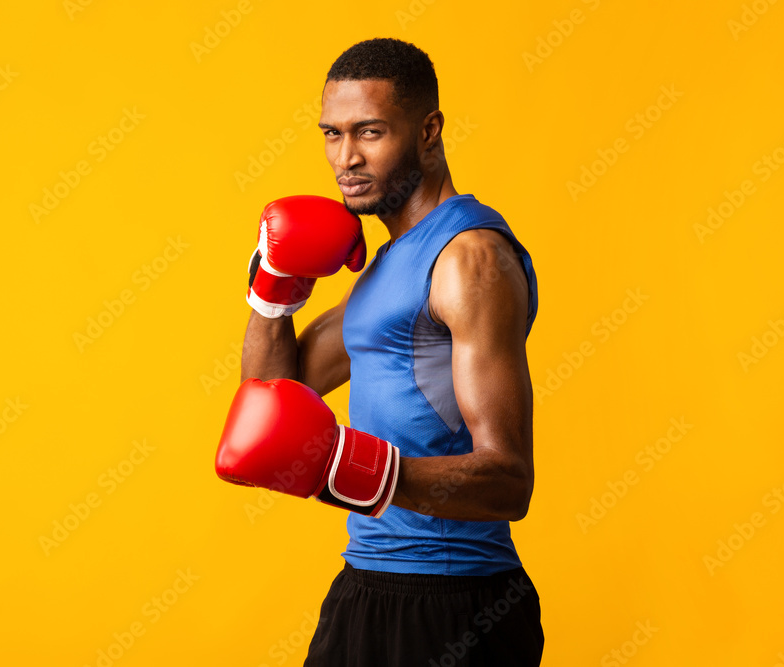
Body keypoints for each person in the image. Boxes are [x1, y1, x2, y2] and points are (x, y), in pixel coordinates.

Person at [216, 37, 544, 666]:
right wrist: (271, 295)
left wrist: (349, 468)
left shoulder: (468, 259)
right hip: (365, 587)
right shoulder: (387, 266)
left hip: (457, 601)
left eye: (369, 133)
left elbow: (510, 482)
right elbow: (268, 400)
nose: (347, 159)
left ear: (428, 131)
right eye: (332, 135)